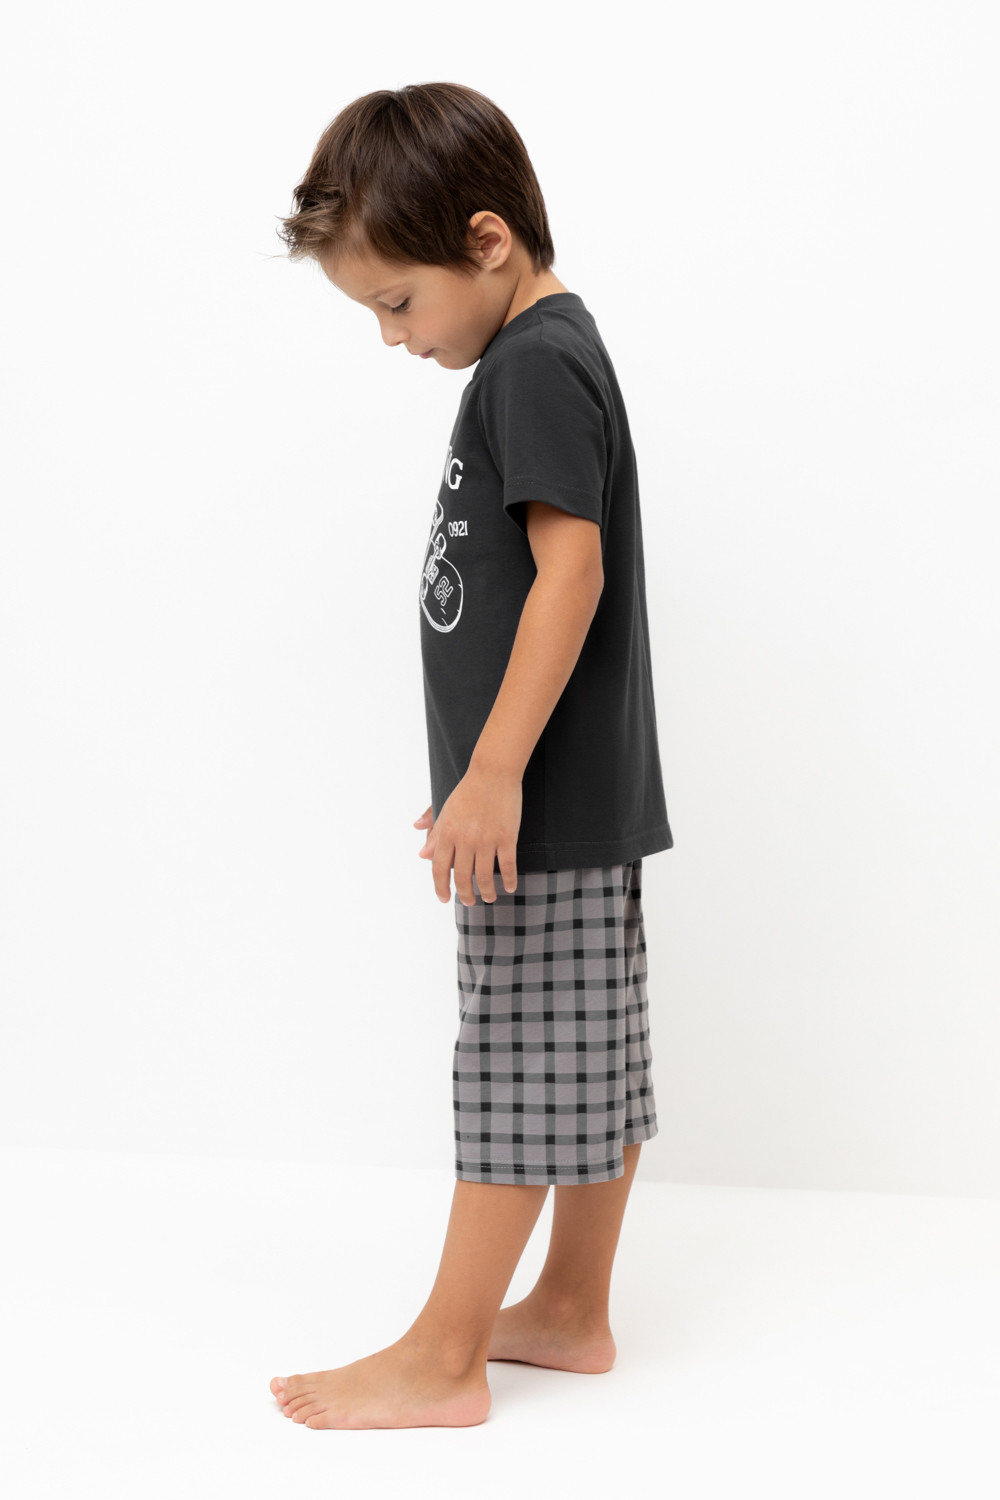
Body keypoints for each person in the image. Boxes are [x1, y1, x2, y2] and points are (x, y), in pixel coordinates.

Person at [269, 81, 674, 1430]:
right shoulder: (541, 350)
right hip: (561, 800)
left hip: (538, 802)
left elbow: (572, 572)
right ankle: (569, 1309)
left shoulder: (534, 362)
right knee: (587, 1060)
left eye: (397, 302)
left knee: (514, 1068)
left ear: (487, 241)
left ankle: (446, 1359)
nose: (393, 337)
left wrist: (492, 775)